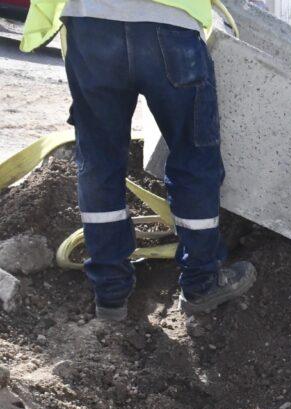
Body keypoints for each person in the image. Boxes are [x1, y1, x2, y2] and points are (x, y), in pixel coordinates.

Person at [20, 0, 255, 320]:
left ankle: (110, 293)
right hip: (171, 22)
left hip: (90, 23)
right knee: (193, 159)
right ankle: (202, 281)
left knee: (100, 162)